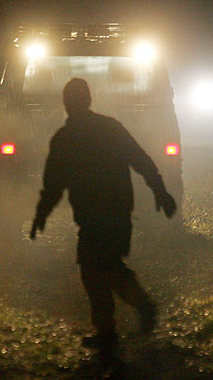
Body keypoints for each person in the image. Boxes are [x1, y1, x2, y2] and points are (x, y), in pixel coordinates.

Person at [30, 78, 176, 360]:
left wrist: (41, 214)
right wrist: (160, 191)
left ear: (67, 103)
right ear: (88, 101)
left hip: (94, 215)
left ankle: (120, 324)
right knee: (103, 267)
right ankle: (120, 323)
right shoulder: (110, 128)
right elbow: (141, 160)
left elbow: (53, 184)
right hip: (117, 211)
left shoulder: (65, 138)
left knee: (96, 270)